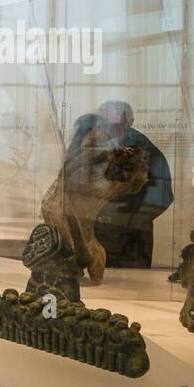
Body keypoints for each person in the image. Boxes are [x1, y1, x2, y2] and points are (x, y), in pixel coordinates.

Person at [74, 100, 173, 269]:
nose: (109, 130)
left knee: (128, 289)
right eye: (104, 124)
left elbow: (162, 195)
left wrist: (130, 221)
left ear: (130, 123)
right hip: (96, 233)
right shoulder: (95, 147)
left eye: (116, 125)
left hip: (130, 242)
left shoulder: (145, 149)